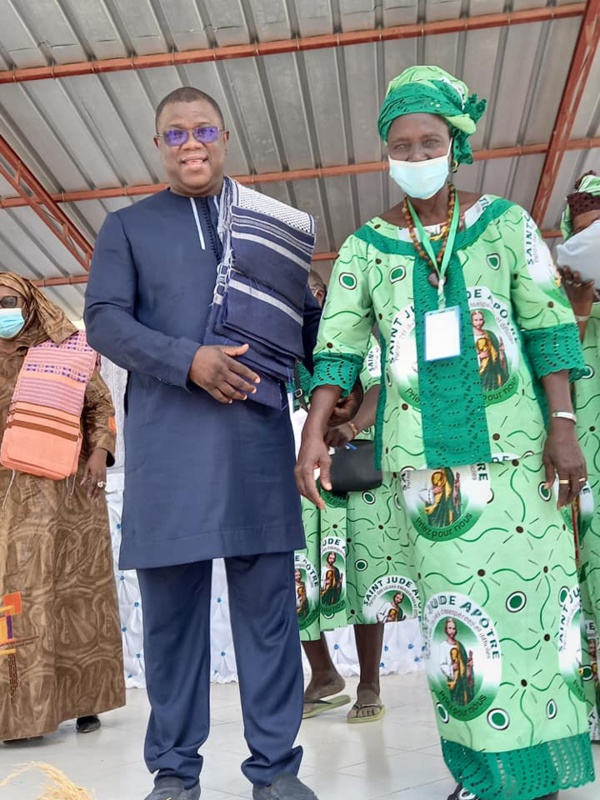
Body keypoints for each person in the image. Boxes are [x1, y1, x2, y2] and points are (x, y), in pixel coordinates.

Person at [295, 65, 596, 800]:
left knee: (540, 619)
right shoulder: (366, 247)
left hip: (520, 456)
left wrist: (562, 427)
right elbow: (336, 344)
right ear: (387, 153)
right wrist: (312, 433)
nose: (417, 153)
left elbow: (550, 326)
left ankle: (542, 773)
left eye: (431, 140)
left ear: (456, 148)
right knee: (459, 629)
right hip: (428, 473)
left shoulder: (507, 224)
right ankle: (484, 774)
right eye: (403, 143)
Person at [84, 86, 358, 800]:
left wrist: (337, 379)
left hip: (256, 448)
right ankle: (174, 776)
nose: (191, 143)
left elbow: (305, 325)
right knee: (172, 632)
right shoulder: (128, 228)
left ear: (225, 136)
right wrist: (188, 360)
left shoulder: (274, 227)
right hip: (168, 457)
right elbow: (106, 321)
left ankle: (275, 774)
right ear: (158, 147)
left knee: (268, 624)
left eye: (203, 129)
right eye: (175, 134)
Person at [0, 272, 124, 743]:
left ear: (31, 303)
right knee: (15, 602)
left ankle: (85, 703)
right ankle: (17, 711)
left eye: (10, 301)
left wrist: (98, 453)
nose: (3, 312)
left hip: (68, 496)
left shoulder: (62, 349)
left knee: (74, 597)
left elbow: (100, 405)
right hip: (8, 498)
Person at [296, 272, 411, 725]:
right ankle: (323, 674)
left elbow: (380, 386)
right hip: (306, 474)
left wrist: (351, 427)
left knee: (366, 575)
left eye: (311, 293)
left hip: (355, 471)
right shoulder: (289, 351)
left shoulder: (354, 335)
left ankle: (369, 684)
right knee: (300, 576)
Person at [557, 171, 600, 742]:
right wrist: (579, 300)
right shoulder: (560, 282)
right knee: (585, 561)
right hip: (581, 440)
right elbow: (558, 353)